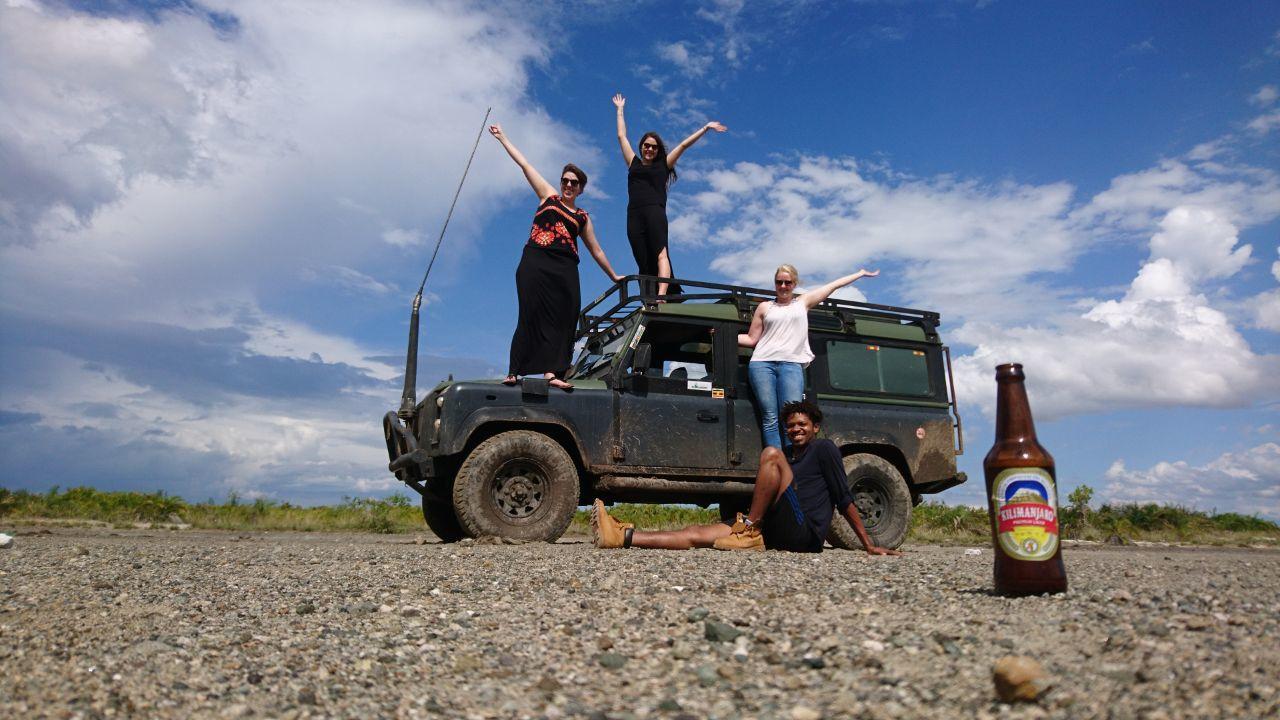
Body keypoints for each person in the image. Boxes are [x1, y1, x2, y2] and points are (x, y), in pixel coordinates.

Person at [591, 400, 901, 555]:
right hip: (778, 528)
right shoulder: (790, 456)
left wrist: (868, 544)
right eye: (791, 426)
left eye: (802, 424)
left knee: (771, 454)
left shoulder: (824, 449)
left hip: (804, 533)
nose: (796, 430)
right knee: (698, 532)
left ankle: (748, 529)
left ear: (815, 426)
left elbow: (844, 499)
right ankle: (623, 537)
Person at [489, 124, 622, 390]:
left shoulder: (582, 217)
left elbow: (596, 250)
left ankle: (553, 372)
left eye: (574, 182)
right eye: (565, 180)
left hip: (565, 268)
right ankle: (515, 371)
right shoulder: (547, 197)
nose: (568, 185)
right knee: (530, 312)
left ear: (581, 188)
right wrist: (503, 137)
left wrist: (614, 275)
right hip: (536, 261)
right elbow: (525, 164)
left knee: (566, 316)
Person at [738, 264, 879, 448]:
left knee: (791, 417)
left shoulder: (803, 302)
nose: (782, 286)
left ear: (794, 284)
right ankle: (777, 462)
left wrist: (860, 274)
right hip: (762, 364)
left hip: (791, 365)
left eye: (787, 282)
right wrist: (717, 333)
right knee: (770, 417)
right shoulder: (765, 307)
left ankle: (793, 463)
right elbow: (751, 338)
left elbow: (832, 286)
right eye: (778, 282)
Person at [612, 93, 726, 299]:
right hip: (634, 214)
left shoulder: (663, 165)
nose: (649, 149)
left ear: (658, 150)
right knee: (642, 259)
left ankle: (662, 295)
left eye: (653, 147)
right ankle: (648, 297)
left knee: (660, 253)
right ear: (641, 147)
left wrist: (705, 128)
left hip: (655, 212)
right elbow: (621, 136)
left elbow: (683, 145)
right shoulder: (633, 163)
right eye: (646, 145)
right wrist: (620, 110)